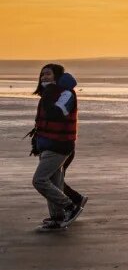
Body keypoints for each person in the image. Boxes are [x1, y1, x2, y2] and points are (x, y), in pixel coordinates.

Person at [29, 64, 84, 231]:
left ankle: (71, 206)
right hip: (47, 145)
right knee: (55, 182)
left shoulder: (66, 93)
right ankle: (57, 218)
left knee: (39, 180)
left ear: (57, 76)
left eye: (48, 74)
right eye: (42, 74)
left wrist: (49, 93)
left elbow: (57, 113)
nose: (44, 77)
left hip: (60, 145)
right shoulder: (49, 93)